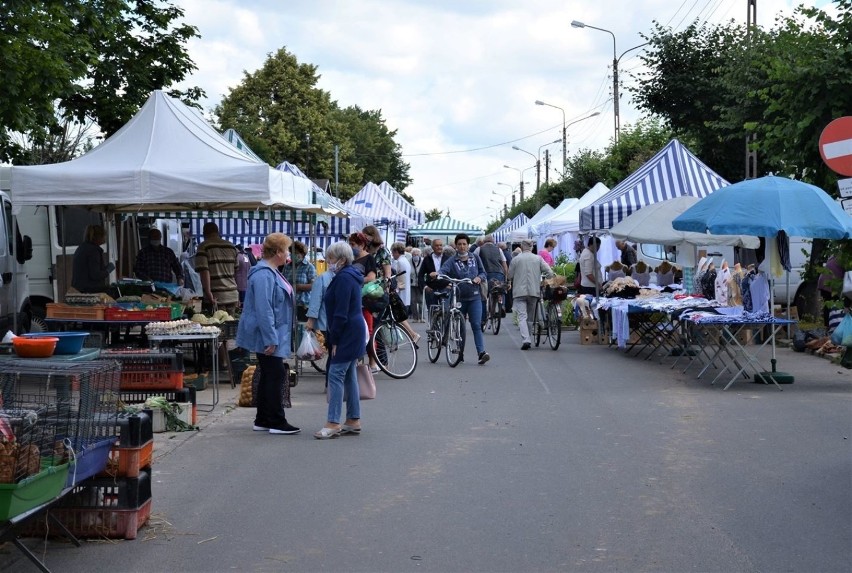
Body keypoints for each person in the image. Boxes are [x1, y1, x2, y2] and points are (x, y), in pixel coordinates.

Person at [235, 232, 300, 435]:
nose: (288, 254)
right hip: (269, 334)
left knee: (269, 374)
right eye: (287, 250)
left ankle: (263, 418)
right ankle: (275, 420)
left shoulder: (270, 271)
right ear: (278, 252)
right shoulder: (264, 274)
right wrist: (270, 338)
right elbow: (265, 309)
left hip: (272, 332)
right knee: (275, 374)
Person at [316, 241, 364, 439]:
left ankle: (333, 422)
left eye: (331, 259)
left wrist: (334, 340)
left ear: (342, 260)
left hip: (347, 332)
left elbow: (340, 313)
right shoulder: (350, 275)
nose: (329, 262)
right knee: (349, 374)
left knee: (335, 373)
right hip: (353, 329)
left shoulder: (343, 278)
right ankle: (353, 419)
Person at [440, 233, 490, 365]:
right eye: (459, 244)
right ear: (456, 246)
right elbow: (443, 271)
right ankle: (459, 353)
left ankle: (481, 353)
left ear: (468, 245)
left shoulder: (475, 257)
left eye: (464, 244)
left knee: (476, 325)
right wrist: (439, 275)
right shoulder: (452, 261)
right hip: (459, 297)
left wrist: (480, 277)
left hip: (474, 297)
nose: (462, 247)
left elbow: (483, 272)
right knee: (459, 326)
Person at [508, 240, 554, 350]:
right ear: (532, 247)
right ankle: (528, 337)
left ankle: (526, 339)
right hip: (534, 291)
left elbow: (509, 275)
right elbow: (550, 272)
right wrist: (545, 279)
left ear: (522, 247)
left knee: (522, 316)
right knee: (530, 317)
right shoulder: (538, 258)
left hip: (519, 292)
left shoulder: (516, 259)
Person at [349, 232, 379, 371]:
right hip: (353, 299)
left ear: (361, 245)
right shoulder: (351, 259)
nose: (351, 247)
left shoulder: (369, 259)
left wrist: (356, 279)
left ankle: (373, 362)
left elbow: (372, 277)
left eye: (353, 244)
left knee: (369, 331)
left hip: (365, 301)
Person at [195, 222, 239, 313]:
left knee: (217, 325)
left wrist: (208, 292)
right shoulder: (231, 246)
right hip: (232, 294)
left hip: (216, 296)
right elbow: (235, 271)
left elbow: (204, 271)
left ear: (204, 233)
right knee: (231, 324)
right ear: (218, 232)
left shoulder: (203, 246)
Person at [390, 242, 421, 345]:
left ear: (396, 251)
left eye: (393, 252)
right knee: (398, 317)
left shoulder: (400, 262)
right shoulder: (404, 261)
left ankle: (411, 334)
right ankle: (409, 335)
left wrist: (396, 290)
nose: (392, 254)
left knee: (398, 317)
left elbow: (401, 280)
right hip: (403, 292)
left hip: (400, 293)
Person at [72, 224, 115, 294]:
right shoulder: (93, 251)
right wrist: (108, 270)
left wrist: (105, 268)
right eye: (103, 236)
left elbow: (90, 269)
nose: (105, 238)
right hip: (89, 289)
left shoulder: (82, 247)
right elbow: (95, 275)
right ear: (98, 237)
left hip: (79, 288)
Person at [281, 241, 316, 322]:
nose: (293, 255)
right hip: (288, 303)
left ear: (302, 254)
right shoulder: (287, 267)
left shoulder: (309, 267)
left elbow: (313, 285)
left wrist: (297, 287)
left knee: (302, 328)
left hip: (303, 304)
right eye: (291, 253)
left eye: (296, 253)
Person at [478, 234, 509, 322]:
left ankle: (483, 318)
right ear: (493, 241)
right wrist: (506, 276)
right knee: (500, 289)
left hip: (485, 275)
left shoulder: (479, 249)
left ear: (484, 241)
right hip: (499, 273)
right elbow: (504, 264)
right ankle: (501, 305)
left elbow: (474, 261)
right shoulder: (499, 249)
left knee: (484, 296)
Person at [418, 238, 451, 314]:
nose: (439, 247)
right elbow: (420, 275)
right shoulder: (427, 259)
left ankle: (445, 325)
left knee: (446, 311)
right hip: (431, 289)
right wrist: (425, 287)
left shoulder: (448, 259)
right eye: (437, 245)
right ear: (432, 247)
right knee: (432, 311)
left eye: (440, 245)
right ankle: (433, 325)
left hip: (445, 287)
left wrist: (450, 284)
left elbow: (453, 273)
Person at [409, 248, 424, 322]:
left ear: (420, 255)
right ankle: (415, 317)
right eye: (414, 255)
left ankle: (421, 317)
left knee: (420, 300)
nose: (415, 256)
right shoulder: (409, 261)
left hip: (420, 284)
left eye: (417, 254)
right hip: (412, 284)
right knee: (413, 301)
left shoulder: (423, 261)